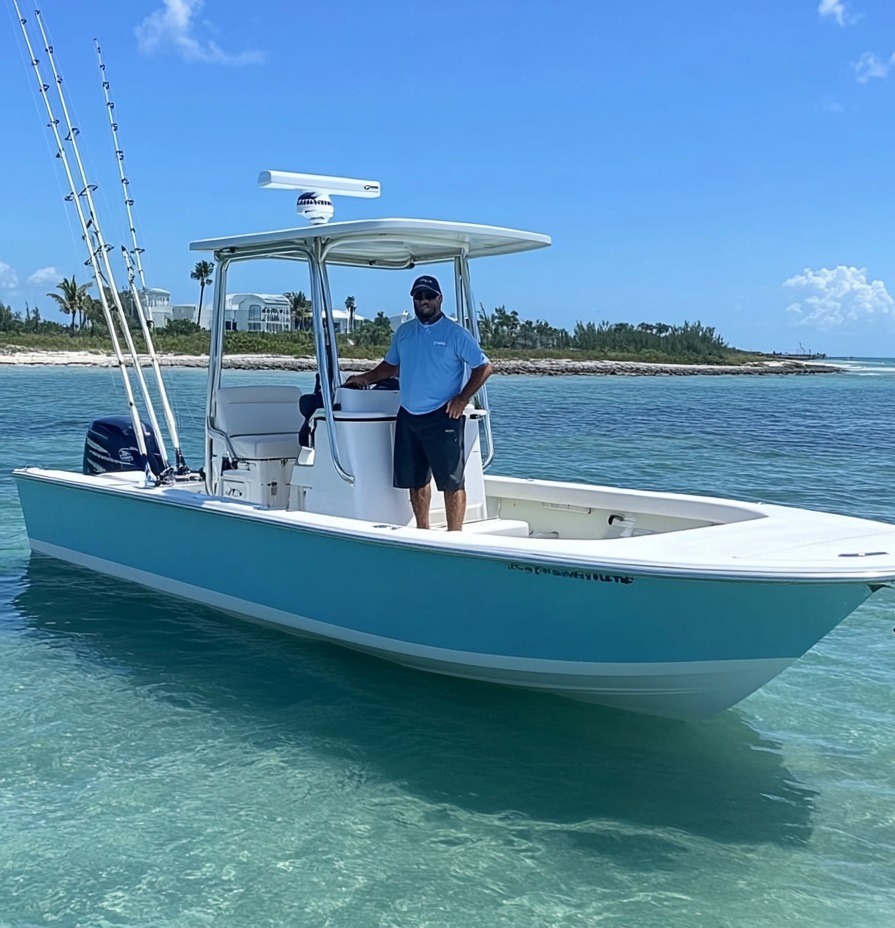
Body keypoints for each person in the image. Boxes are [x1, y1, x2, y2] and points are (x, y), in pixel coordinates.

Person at [344, 274, 493, 531]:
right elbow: (390, 366)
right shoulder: (404, 333)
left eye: (428, 296)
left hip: (444, 415)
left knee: (451, 481)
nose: (423, 300)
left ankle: (454, 535)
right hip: (409, 415)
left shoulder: (456, 334)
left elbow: (484, 367)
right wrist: (363, 378)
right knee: (416, 479)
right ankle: (422, 531)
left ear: (439, 299)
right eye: (418, 296)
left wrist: (461, 399)